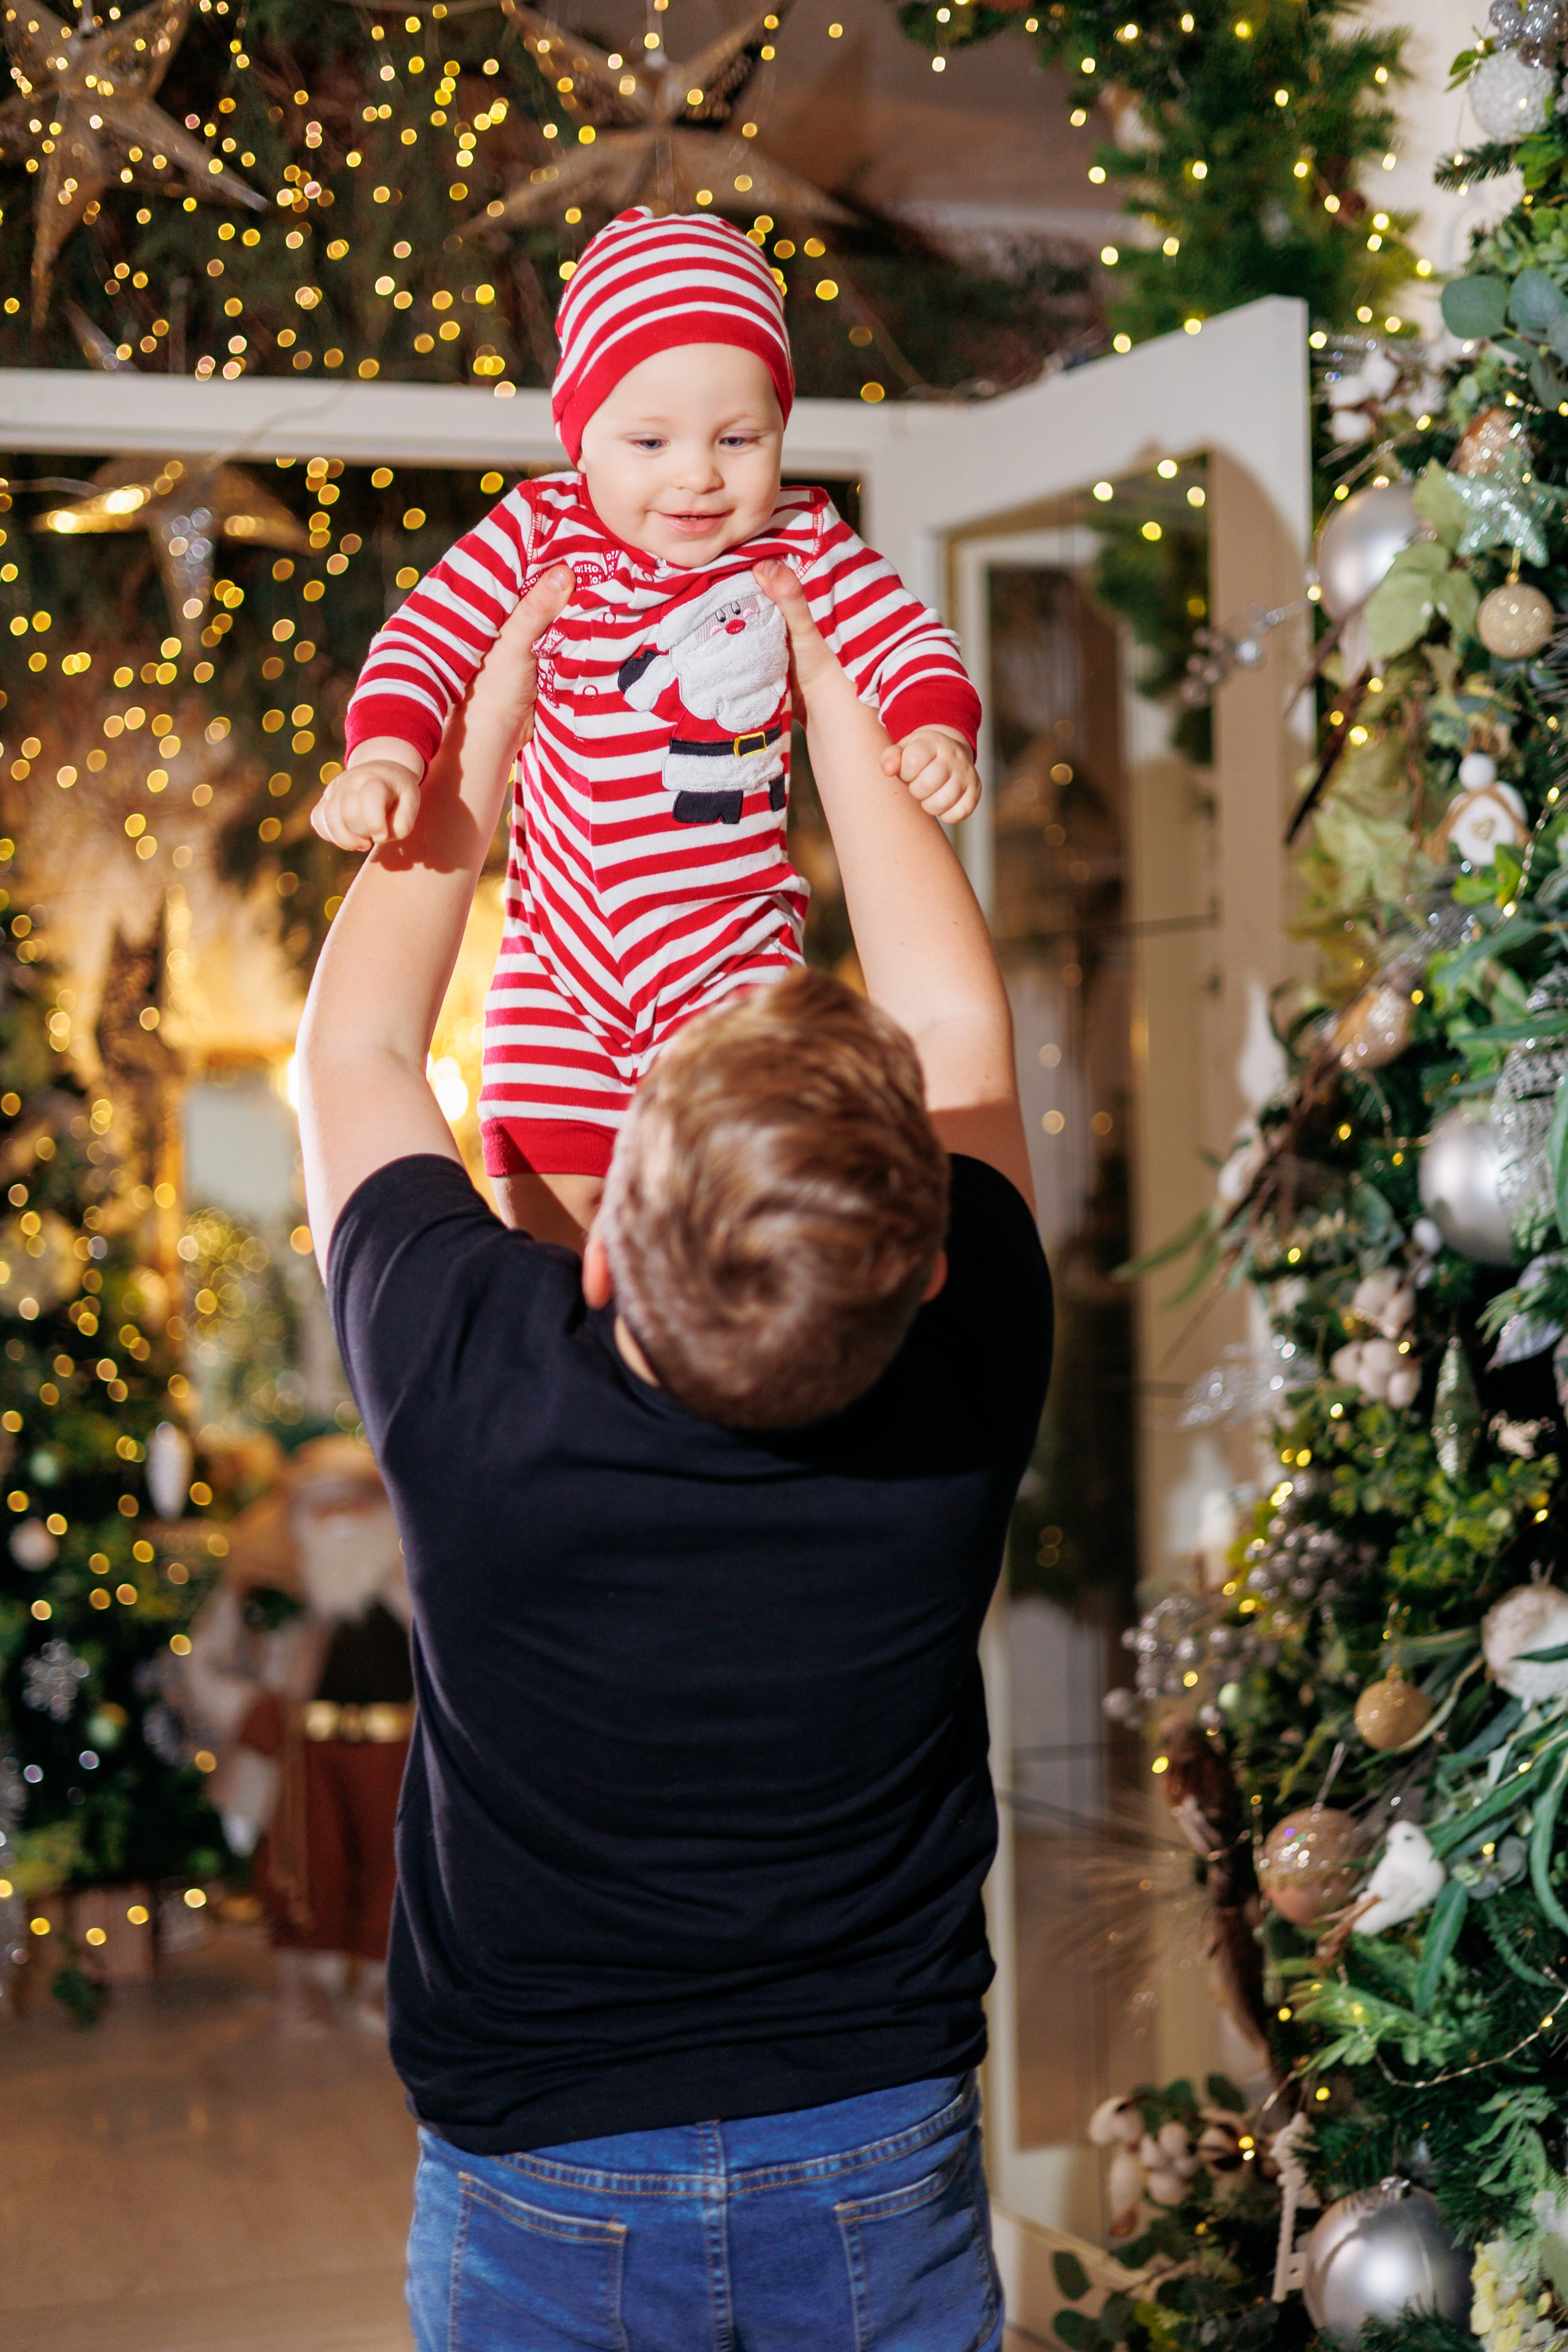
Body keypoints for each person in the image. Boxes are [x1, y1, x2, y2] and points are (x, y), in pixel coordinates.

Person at [295, 555, 1052, 2346]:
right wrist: (827, 655)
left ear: (607, 1252)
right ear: (930, 1262)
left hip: (541, 2165)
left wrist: (480, 707)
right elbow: (958, 1024)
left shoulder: (472, 1381)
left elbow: (361, 1042)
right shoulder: (962, 1377)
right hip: (878, 2134)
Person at [311, 206, 982, 1248]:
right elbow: (427, 639)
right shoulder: (541, 529)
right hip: (561, 966)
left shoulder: (803, 543)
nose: (698, 475)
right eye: (650, 440)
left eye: (738, 439)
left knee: (734, 1219)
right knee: (547, 1214)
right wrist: (390, 750)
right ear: (583, 436)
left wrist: (934, 726)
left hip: (733, 962)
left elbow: (907, 640)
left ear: (780, 432)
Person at [178, 1434, 412, 2030]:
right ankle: (311, 1981)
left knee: (405, 1866)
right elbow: (202, 1659)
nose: (339, 1517)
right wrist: (247, 1709)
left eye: (355, 1501)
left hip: (403, 1750)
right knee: (307, 1865)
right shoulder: (269, 1576)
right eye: (323, 1503)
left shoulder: (416, 1580)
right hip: (307, 1754)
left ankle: (395, 1984)